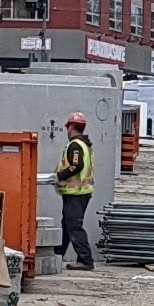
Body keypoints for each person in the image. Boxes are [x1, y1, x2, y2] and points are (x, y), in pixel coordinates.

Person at [56, 111, 99, 269]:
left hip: (76, 193)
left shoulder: (75, 145)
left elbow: (76, 165)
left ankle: (86, 260)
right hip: (80, 192)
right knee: (67, 225)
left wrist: (59, 175)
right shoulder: (85, 144)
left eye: (68, 127)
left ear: (72, 127)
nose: (67, 130)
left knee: (73, 226)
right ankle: (57, 254)